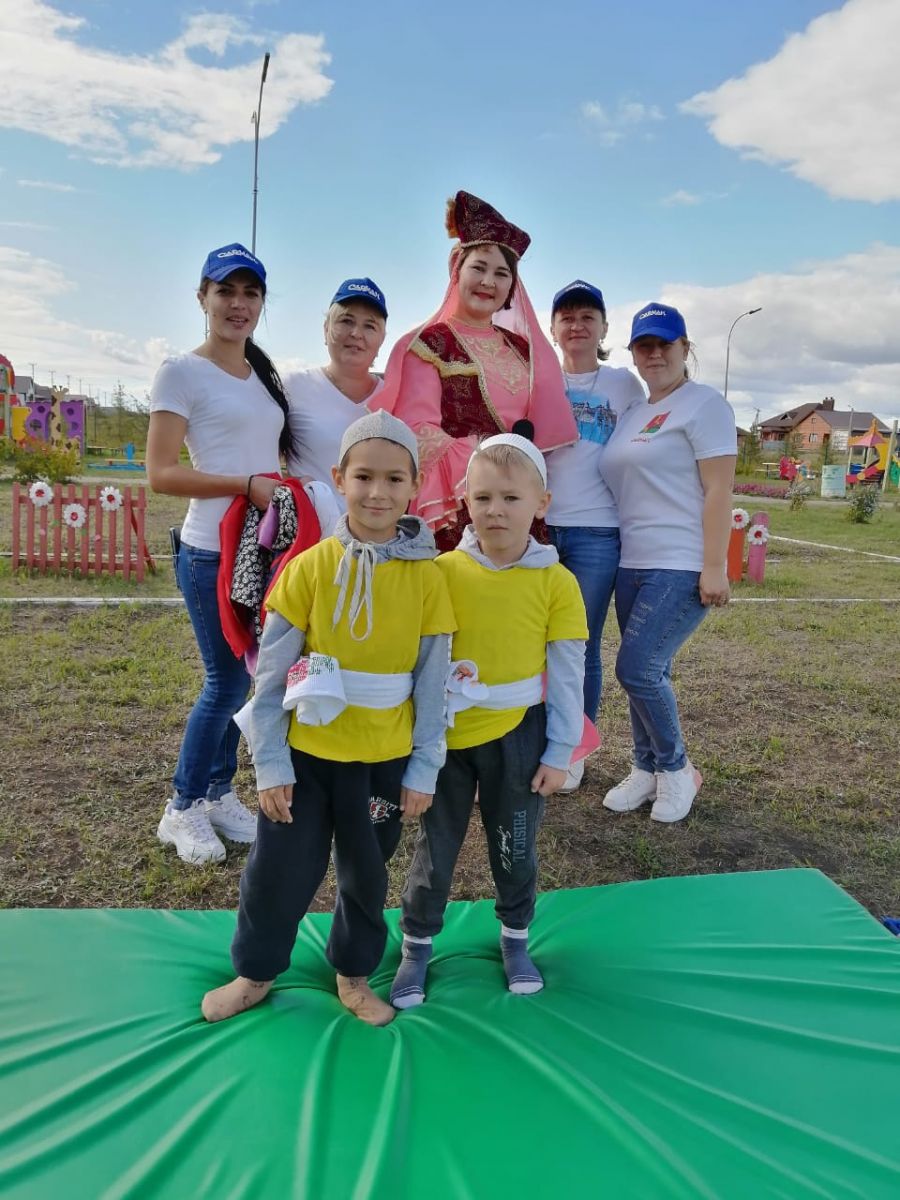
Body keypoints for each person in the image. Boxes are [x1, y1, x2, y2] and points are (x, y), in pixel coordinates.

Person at [201, 410, 456, 1027]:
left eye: (394, 479)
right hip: (307, 760)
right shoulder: (308, 569)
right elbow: (270, 679)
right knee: (277, 872)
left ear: (414, 485)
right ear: (339, 478)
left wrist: (423, 767)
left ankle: (353, 973)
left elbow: (433, 682)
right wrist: (271, 764)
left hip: (382, 765)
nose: (377, 492)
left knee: (366, 876)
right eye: (363, 477)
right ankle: (256, 971)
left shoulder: (429, 580)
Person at [390, 434, 587, 1009]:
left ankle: (516, 938)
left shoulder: (557, 582)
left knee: (515, 845)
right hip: (446, 736)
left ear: (541, 503)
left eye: (510, 497)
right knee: (436, 846)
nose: (495, 510)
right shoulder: (442, 572)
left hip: (519, 736)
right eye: (483, 497)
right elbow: (418, 658)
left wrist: (560, 750)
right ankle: (416, 945)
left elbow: (568, 672)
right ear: (464, 501)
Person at [147, 242, 294, 865]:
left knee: (247, 676)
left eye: (249, 293)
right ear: (202, 298)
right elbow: (161, 473)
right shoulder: (181, 372)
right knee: (225, 681)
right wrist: (243, 485)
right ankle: (181, 807)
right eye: (225, 291)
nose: (238, 304)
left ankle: (217, 791)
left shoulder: (260, 374)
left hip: (256, 549)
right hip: (210, 548)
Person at [370, 190, 576, 551]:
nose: (488, 282)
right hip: (460, 506)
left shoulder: (522, 348)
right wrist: (494, 466)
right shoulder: (431, 344)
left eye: (501, 273)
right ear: (457, 269)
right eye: (478, 268)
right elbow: (418, 432)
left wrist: (519, 479)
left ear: (512, 286)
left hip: (520, 506)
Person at [600, 303, 736, 823]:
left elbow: (719, 490)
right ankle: (646, 768)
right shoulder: (635, 412)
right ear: (633, 353)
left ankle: (678, 769)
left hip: (680, 561)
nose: (654, 354)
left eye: (665, 344)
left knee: (636, 669)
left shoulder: (705, 405)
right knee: (649, 671)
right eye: (644, 345)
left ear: (685, 348)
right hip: (631, 562)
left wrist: (714, 565)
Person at [545, 280, 645, 792]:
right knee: (533, 641)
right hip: (538, 528)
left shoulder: (624, 385)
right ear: (553, 328)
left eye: (588, 317)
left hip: (597, 533)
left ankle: (574, 747)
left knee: (579, 645)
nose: (577, 325)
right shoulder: (538, 377)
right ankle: (539, 739)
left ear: (604, 328)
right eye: (567, 317)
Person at [284, 278, 388, 501]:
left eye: (369, 326)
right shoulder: (292, 386)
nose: (356, 333)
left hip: (379, 524)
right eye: (346, 321)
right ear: (326, 329)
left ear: (382, 339)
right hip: (310, 523)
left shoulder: (395, 395)